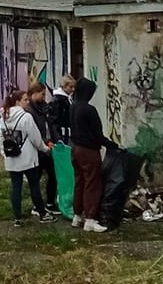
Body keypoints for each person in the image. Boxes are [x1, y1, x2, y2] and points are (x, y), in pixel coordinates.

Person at [69, 76, 117, 232]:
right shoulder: (89, 110)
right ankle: (90, 219)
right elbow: (97, 135)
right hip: (89, 151)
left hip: (75, 148)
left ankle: (77, 216)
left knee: (80, 181)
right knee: (92, 183)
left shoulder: (73, 107)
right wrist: (113, 145)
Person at [1, 89, 54, 226]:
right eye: (25, 99)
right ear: (17, 102)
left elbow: (1, 136)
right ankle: (42, 213)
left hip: (11, 157)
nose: (27, 102)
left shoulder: (4, 117)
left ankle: (17, 217)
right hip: (27, 158)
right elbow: (35, 138)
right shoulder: (26, 117)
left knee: (16, 187)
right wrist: (45, 149)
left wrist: (4, 152)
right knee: (34, 185)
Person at [28, 81, 59, 209]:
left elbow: (50, 126)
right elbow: (34, 132)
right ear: (34, 93)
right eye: (42, 94)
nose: (43, 97)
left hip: (49, 148)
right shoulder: (30, 111)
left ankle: (50, 202)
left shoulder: (44, 108)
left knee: (53, 175)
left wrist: (56, 140)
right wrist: (45, 142)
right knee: (36, 178)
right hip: (37, 149)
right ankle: (37, 205)